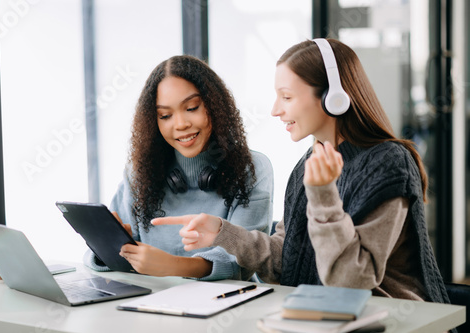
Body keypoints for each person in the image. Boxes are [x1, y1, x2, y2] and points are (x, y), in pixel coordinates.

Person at [152, 38, 451, 304]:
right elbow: (286, 259)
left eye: (287, 97)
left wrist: (323, 195)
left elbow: (352, 281)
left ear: (332, 97)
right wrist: (222, 233)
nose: (275, 110)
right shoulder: (307, 166)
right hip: (322, 316)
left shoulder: (388, 163)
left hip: (393, 319)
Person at [84, 55, 274, 281]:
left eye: (192, 108)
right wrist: (110, 246)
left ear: (215, 106)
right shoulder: (140, 172)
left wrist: (172, 266)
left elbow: (244, 263)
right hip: (150, 302)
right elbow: (96, 258)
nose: (181, 124)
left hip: (226, 304)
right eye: (165, 115)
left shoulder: (252, 169)